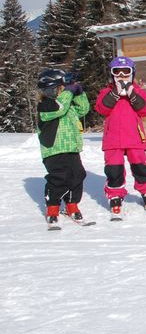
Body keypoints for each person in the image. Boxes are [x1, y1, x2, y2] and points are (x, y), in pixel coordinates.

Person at [95, 57, 146, 217]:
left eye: (125, 72)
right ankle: (115, 193)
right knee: (114, 169)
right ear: (112, 74)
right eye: (117, 72)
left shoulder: (138, 91)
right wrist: (115, 93)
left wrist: (132, 94)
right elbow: (101, 108)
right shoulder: (106, 92)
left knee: (139, 166)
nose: (121, 76)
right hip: (113, 139)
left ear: (132, 73)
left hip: (134, 137)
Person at [36, 69, 90, 228]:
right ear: (51, 89)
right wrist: (69, 92)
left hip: (71, 148)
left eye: (66, 88)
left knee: (77, 175)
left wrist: (78, 93)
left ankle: (72, 204)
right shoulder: (45, 106)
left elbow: (83, 109)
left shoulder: (68, 104)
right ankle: (52, 207)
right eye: (63, 88)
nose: (66, 91)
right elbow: (59, 108)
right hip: (54, 150)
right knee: (59, 178)